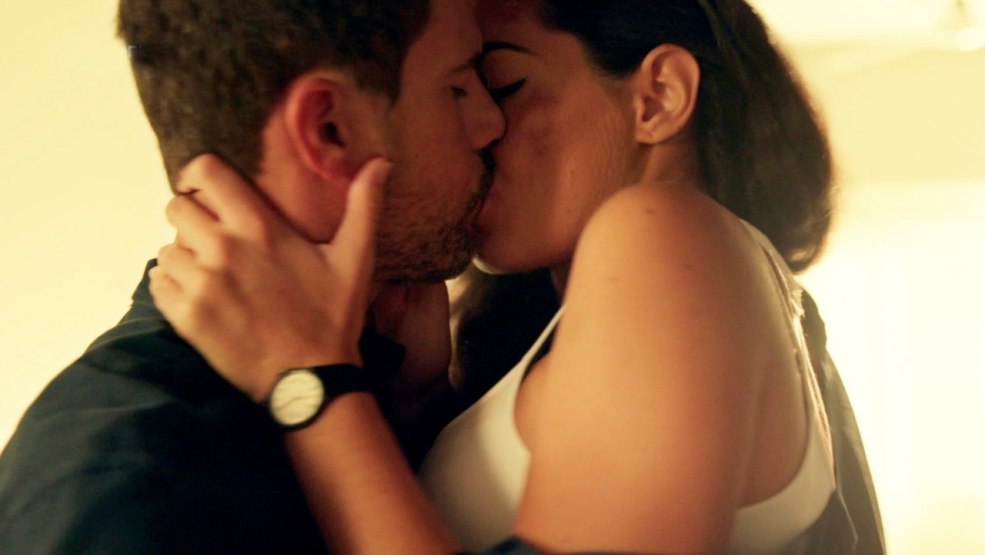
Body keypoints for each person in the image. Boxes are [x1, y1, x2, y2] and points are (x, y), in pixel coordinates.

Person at [151, 0, 885, 554]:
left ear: (657, 96)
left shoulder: (664, 230)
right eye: (458, 89)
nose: (479, 127)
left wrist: (307, 376)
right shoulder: (681, 288)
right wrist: (417, 405)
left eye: (502, 83)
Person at [0, 0, 504, 552]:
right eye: (458, 87)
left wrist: (415, 411)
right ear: (328, 129)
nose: (491, 123)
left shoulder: (388, 366)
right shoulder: (124, 484)